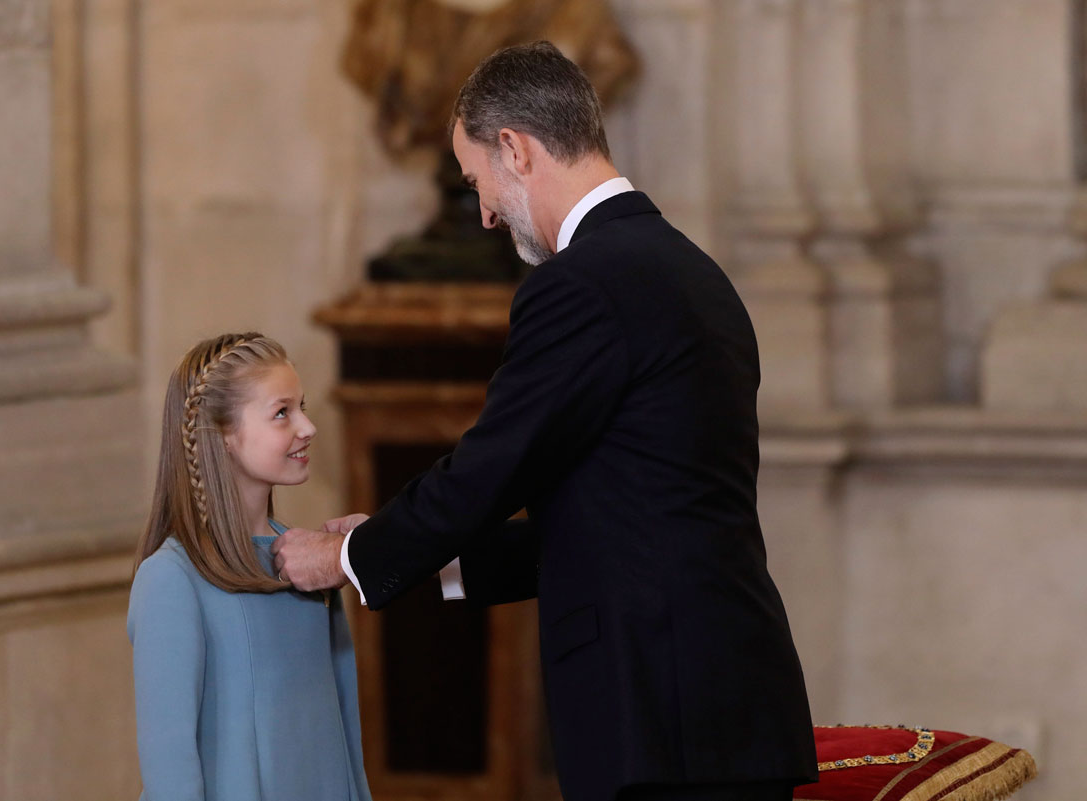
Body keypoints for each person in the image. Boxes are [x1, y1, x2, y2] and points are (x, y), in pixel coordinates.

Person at [274, 42, 818, 801]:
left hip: (658, 718)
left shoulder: (582, 284)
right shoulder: (694, 272)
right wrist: (432, 558)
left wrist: (350, 558)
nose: (487, 213)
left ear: (516, 149)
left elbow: (489, 468)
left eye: (478, 183)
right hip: (727, 706)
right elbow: (622, 516)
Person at [127, 333, 373, 801]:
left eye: (301, 407)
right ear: (222, 434)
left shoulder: (310, 565)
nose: (308, 426)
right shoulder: (172, 579)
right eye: (282, 413)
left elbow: (345, 739)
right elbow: (170, 771)